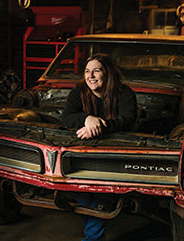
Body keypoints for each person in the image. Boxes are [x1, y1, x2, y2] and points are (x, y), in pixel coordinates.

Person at [62, 53, 137, 241]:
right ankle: (93, 235)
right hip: (84, 154)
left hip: (114, 154)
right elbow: (66, 117)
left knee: (103, 193)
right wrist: (87, 119)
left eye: (97, 70)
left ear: (107, 73)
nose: (91, 76)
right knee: (83, 192)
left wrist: (98, 127)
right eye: (87, 71)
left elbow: (127, 121)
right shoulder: (79, 91)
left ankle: (91, 238)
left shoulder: (124, 93)